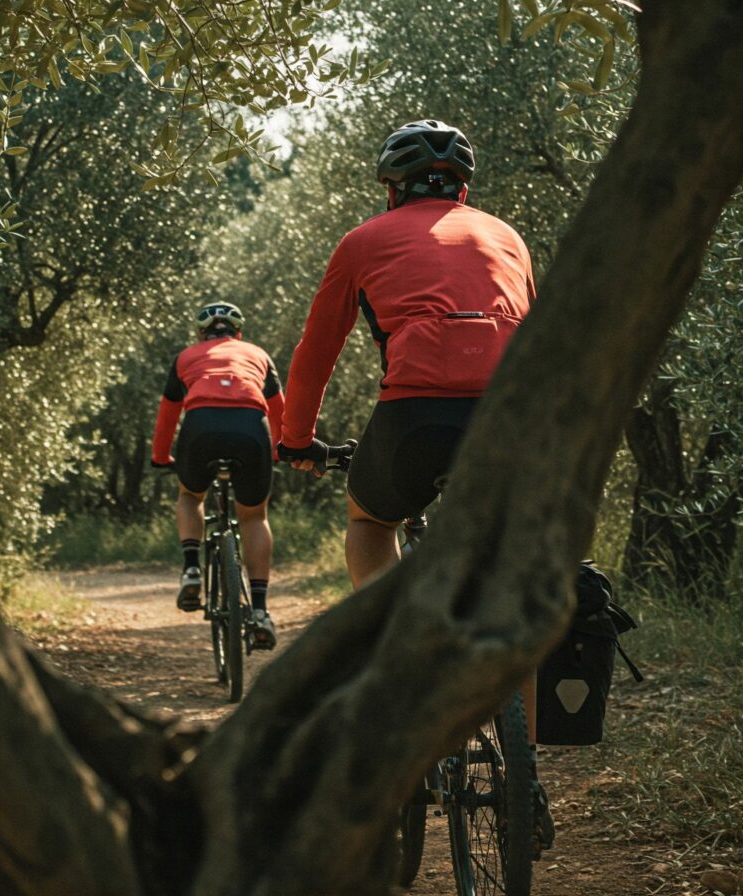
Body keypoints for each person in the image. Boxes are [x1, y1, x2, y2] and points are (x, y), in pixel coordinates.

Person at [277, 119, 553, 850]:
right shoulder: (509, 236)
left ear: (392, 186)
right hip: (507, 425)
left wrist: (296, 440)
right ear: (462, 184)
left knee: (371, 522)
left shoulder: (364, 241)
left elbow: (315, 351)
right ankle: (525, 778)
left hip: (411, 422)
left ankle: (391, 638)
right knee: (507, 578)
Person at [150, 301, 285, 650]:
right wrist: (282, 448)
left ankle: (192, 567)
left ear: (201, 334)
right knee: (254, 515)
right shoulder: (258, 355)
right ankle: (258, 610)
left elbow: (168, 413)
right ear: (238, 333)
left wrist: (160, 456)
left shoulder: (186, 357)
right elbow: (279, 408)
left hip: (201, 427)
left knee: (189, 495)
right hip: (251, 429)